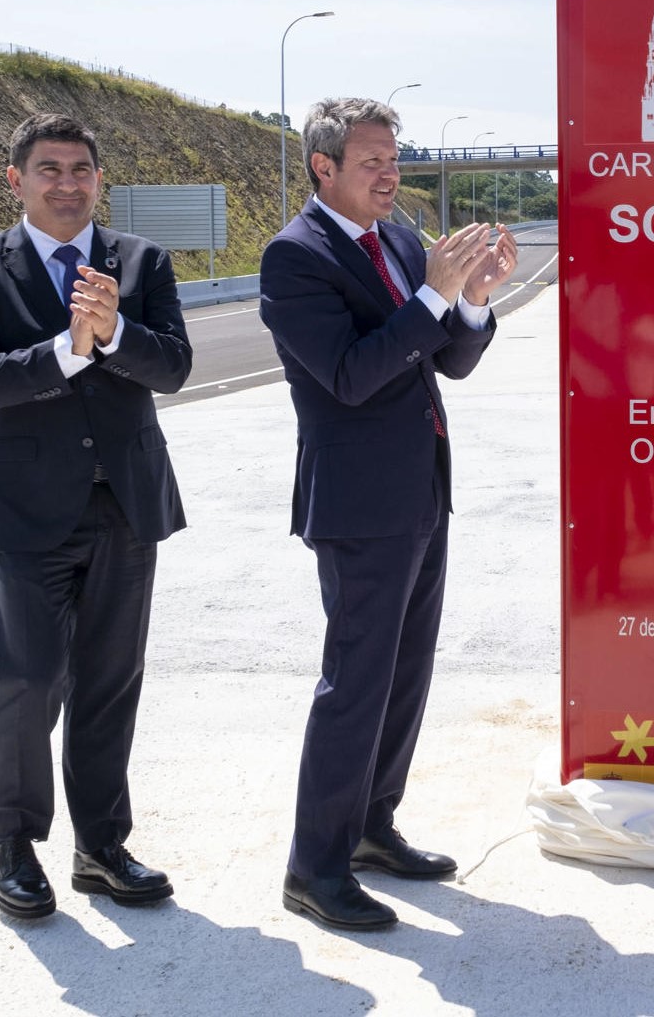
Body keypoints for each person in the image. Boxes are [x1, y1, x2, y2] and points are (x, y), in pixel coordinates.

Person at [260, 97, 517, 932]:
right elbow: (350, 375)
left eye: (393, 160)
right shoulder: (293, 259)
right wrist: (432, 296)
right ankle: (314, 867)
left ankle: (370, 827)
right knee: (356, 681)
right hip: (358, 501)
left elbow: (450, 360)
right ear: (322, 168)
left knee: (407, 670)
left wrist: (472, 299)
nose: (389, 174)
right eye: (370, 161)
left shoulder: (403, 242)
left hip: (421, 488)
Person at [0, 113, 192, 919]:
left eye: (81, 169)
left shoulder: (141, 263)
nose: (67, 184)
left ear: (98, 179)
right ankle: (15, 844)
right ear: (16, 180)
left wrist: (117, 332)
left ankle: (102, 846)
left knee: (111, 682)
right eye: (49, 169)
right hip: (27, 512)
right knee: (28, 678)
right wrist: (66, 351)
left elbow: (177, 367)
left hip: (125, 503)